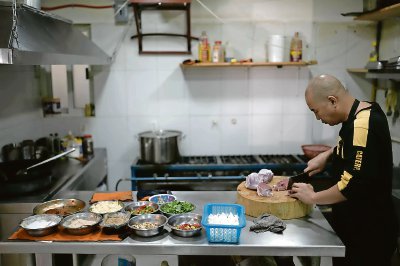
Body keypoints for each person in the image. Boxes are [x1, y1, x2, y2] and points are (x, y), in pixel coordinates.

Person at [290, 74, 398, 266]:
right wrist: (329, 154)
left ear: (332, 101)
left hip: (368, 235)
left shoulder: (363, 124)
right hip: (354, 229)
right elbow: (358, 147)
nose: (317, 118)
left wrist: (313, 197)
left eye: (316, 111)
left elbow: (353, 184)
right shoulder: (364, 110)